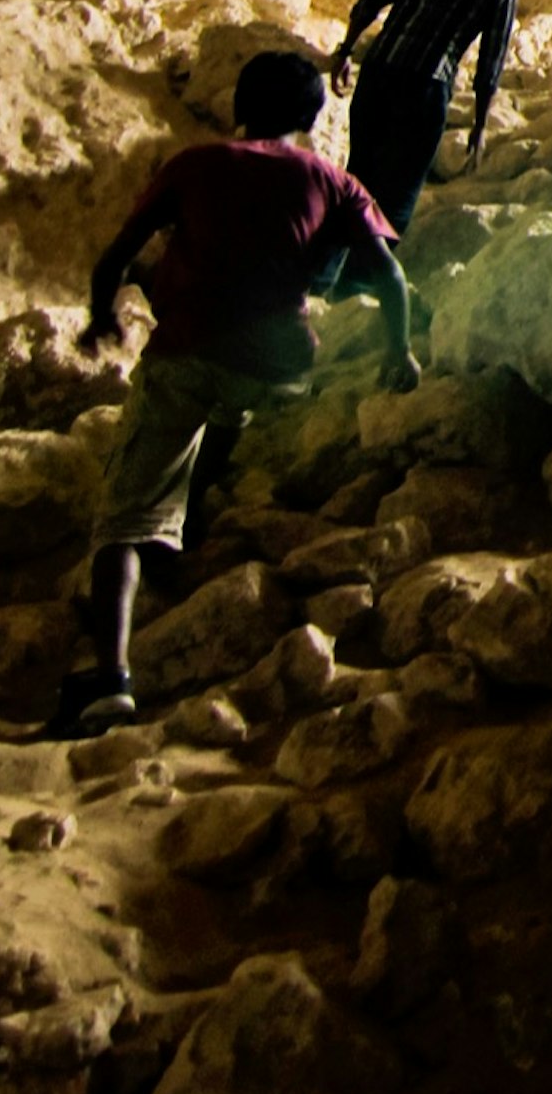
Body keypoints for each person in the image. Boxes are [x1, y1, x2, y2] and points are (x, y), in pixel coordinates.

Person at [50, 50, 416, 737]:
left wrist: (104, 314)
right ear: (313, 117)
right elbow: (390, 278)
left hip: (189, 348)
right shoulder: (335, 180)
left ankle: (112, 679)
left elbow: (119, 252)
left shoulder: (197, 163)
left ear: (238, 105)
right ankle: (179, 530)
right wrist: (400, 354)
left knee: (121, 514)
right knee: (225, 410)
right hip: (277, 364)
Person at [326, 0, 524, 237]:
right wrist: (480, 124)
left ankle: (324, 270)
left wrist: (345, 52)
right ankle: (363, 279)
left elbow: (370, 1)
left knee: (358, 173)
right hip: (425, 86)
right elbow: (491, 62)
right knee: (399, 190)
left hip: (377, 72)